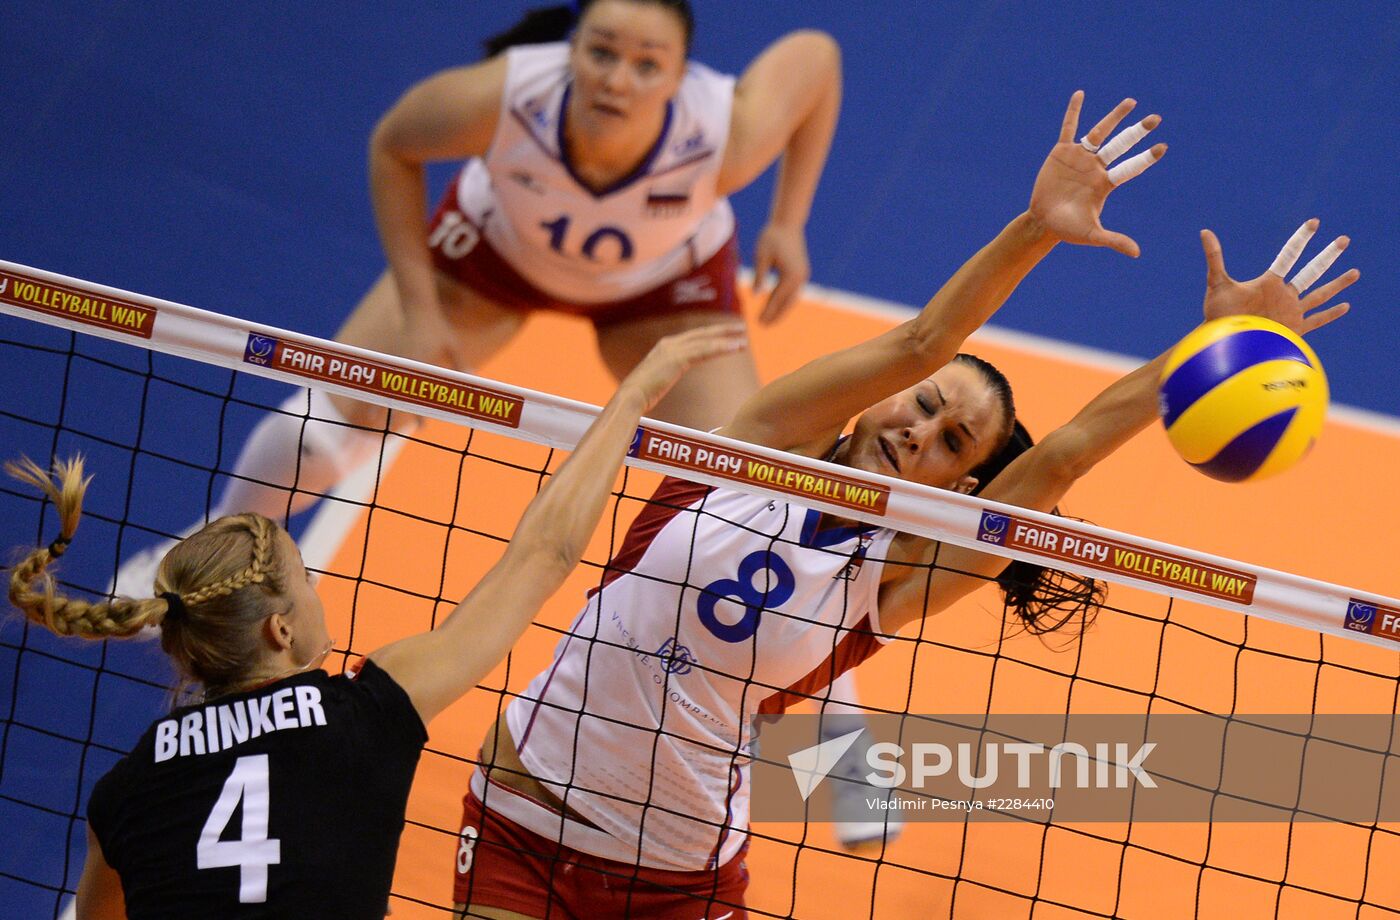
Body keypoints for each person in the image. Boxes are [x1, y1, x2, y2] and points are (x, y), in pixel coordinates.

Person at [450, 92, 1357, 920]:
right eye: (924, 405)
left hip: (682, 880)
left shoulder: (894, 584)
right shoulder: (756, 445)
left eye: (953, 442)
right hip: (524, 821)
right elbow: (926, 338)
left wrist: (1219, 345)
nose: (922, 430)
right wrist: (1036, 230)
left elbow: (1069, 452)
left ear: (956, 493)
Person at [9, 326, 744, 919]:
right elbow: (543, 555)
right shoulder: (365, 716)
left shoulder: (127, 789)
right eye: (304, 581)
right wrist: (635, 396)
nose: (316, 592)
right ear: (278, 631)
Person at [110, 0, 841, 593]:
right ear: (571, 49)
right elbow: (394, 145)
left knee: (738, 479)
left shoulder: (724, 134)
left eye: (648, 65)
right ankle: (214, 552)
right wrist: (422, 313)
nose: (618, 80)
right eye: (601, 53)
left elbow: (818, 59)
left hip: (658, 290)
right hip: (493, 259)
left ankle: (749, 678)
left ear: (683, 77)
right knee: (323, 428)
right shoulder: (509, 96)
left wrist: (790, 221)